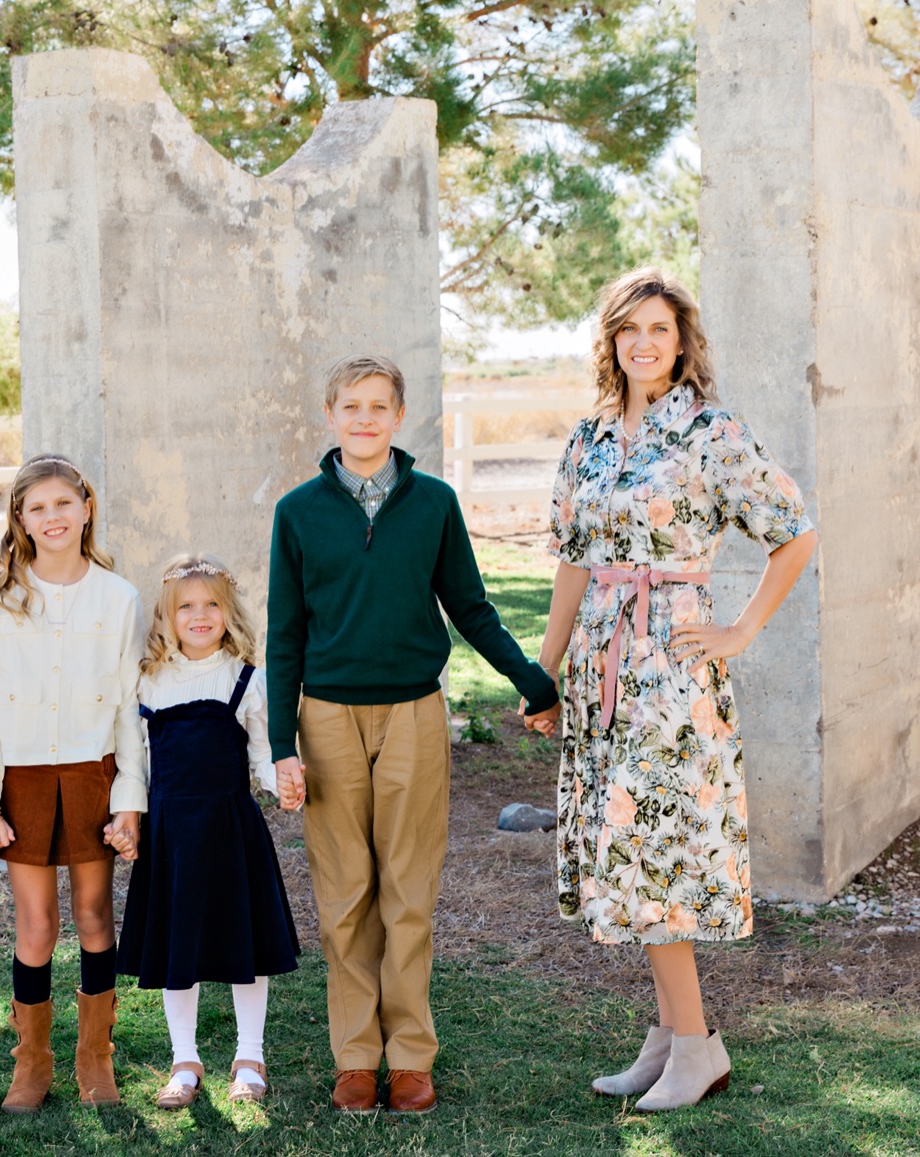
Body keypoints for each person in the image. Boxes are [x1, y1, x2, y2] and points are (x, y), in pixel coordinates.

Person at [523, 268, 817, 1113]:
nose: (644, 342)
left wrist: (739, 631)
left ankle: (698, 1048)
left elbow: (794, 534)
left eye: (659, 328)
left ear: (682, 340)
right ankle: (667, 1037)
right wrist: (545, 670)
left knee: (655, 852)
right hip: (600, 667)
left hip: (670, 674)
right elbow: (573, 560)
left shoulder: (711, 431)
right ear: (611, 340)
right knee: (627, 851)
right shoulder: (588, 438)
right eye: (630, 328)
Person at [267, 354, 560, 1116]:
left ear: (399, 416)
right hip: (326, 717)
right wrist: (280, 744)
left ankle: (410, 1056)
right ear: (330, 415)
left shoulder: (434, 503)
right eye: (351, 406)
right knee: (344, 893)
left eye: (379, 406)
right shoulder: (297, 512)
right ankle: (355, 1057)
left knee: (407, 889)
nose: (365, 418)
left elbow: (471, 606)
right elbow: (284, 635)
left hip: (413, 714)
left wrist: (531, 678)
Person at [0, 455, 146, 1112]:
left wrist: (129, 801)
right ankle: (32, 1063)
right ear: (20, 519)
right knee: (37, 925)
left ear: (86, 508)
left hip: (93, 774)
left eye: (63, 503)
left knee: (95, 916)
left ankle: (96, 1057)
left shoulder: (118, 597)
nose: (52, 517)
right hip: (24, 780)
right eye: (37, 507)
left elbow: (129, 709)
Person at [117, 553, 299, 1110]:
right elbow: (135, 764)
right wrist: (128, 816)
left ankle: (249, 1056)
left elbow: (263, 755)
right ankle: (185, 1060)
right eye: (186, 607)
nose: (200, 616)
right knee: (180, 949)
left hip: (230, 832)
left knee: (245, 944)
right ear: (166, 617)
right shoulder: (148, 681)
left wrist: (282, 782)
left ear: (229, 611)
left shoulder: (245, 679)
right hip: (170, 837)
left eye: (212, 604)